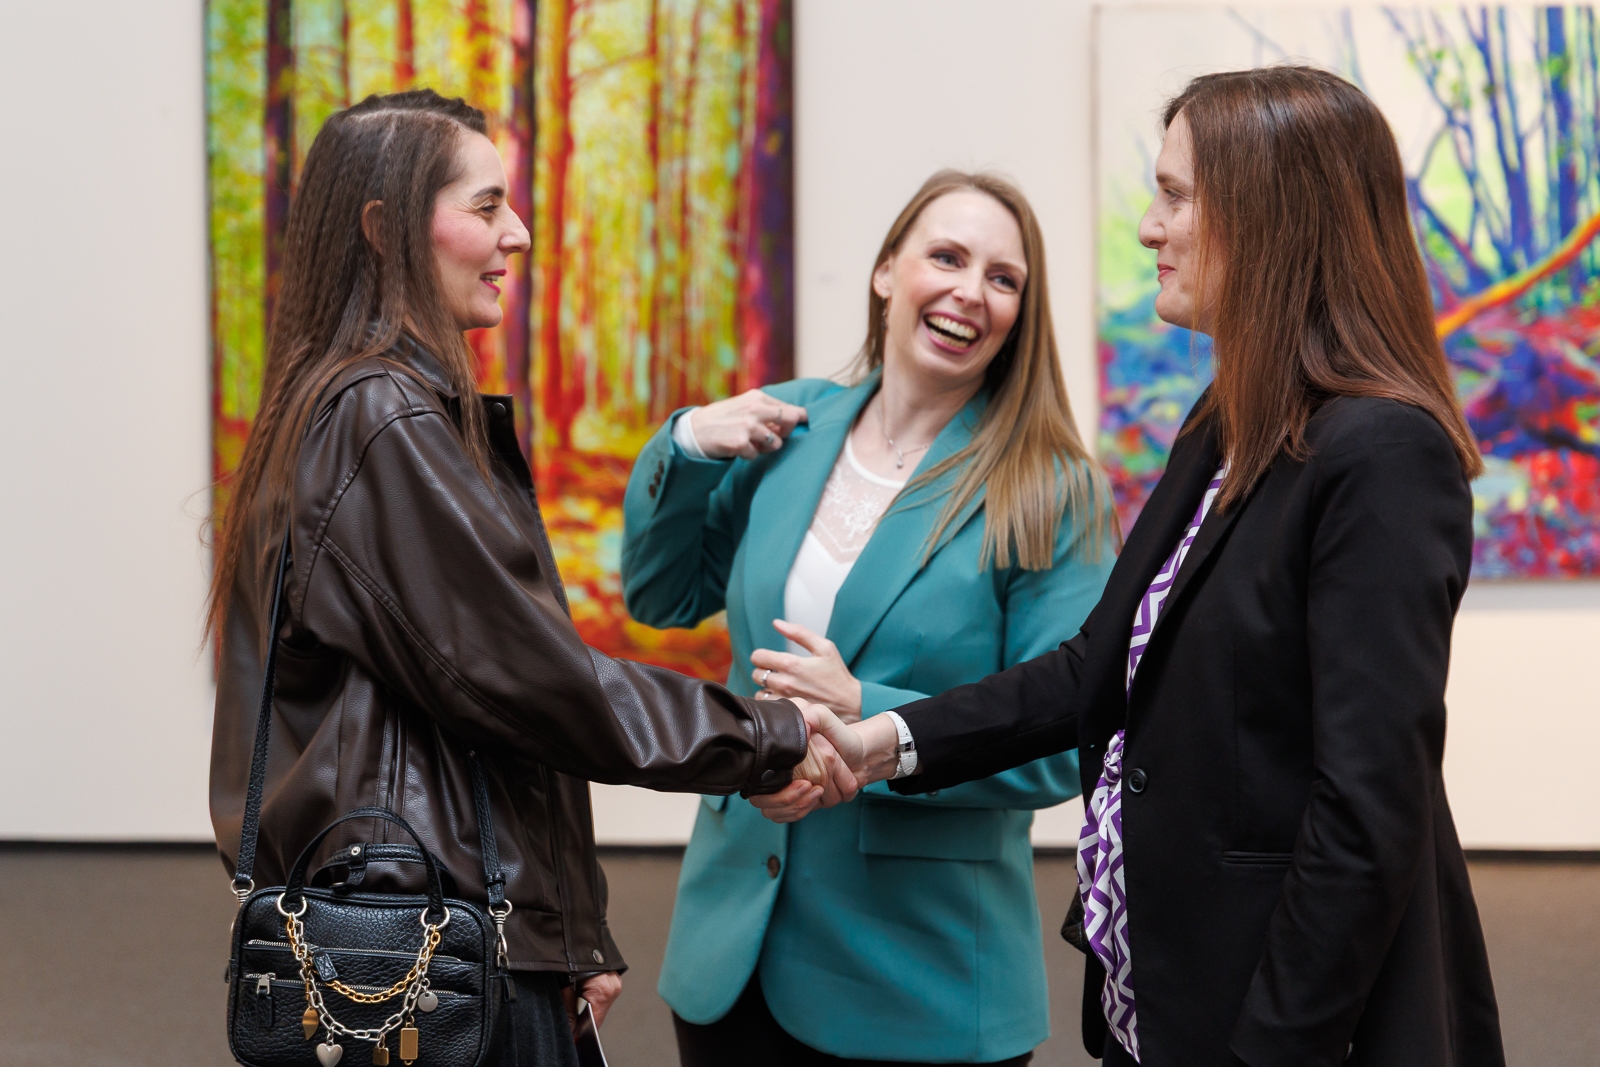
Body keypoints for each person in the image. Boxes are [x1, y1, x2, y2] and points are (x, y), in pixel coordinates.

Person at [776, 68, 1507, 1067]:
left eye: (1174, 196)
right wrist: (882, 742)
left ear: (1269, 214)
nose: (1149, 228)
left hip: (1282, 1025)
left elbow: (1365, 812)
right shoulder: (1223, 424)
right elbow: (1097, 666)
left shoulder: (1382, 453)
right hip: (1164, 997)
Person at [206, 90, 845, 1067]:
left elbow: (476, 706)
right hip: (431, 953)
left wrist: (565, 928)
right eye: (486, 204)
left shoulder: (345, 404)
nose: (520, 232)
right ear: (383, 228)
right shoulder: (382, 417)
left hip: (442, 942)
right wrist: (765, 735)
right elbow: (534, 680)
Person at [621, 171, 1117, 1066]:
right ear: (888, 271)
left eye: (1003, 278)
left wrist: (867, 708)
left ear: (1020, 314)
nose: (971, 291)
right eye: (947, 257)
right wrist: (686, 443)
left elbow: (1064, 738)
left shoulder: (1052, 487)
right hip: (729, 953)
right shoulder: (791, 425)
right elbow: (662, 594)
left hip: (919, 981)